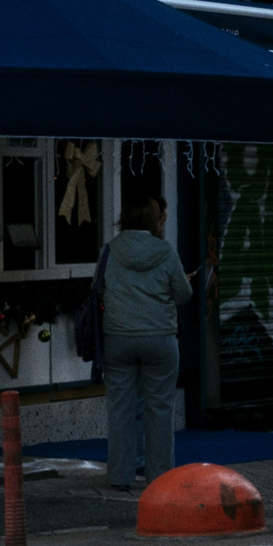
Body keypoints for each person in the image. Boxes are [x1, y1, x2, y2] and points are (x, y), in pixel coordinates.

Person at [95, 191, 193, 492]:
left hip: (118, 339)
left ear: (124, 219)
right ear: (153, 220)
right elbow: (183, 295)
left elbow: (98, 288)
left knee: (120, 409)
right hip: (159, 339)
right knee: (160, 409)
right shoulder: (166, 252)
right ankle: (160, 477)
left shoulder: (109, 251)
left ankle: (120, 476)